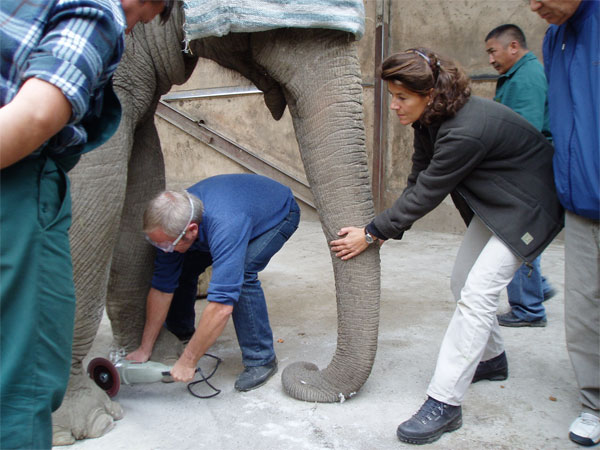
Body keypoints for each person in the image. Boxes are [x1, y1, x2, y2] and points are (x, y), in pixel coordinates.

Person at [329, 48, 563, 445]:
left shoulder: (464, 130)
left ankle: (445, 403)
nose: (395, 105)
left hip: (529, 208)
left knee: (477, 294)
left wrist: (371, 232)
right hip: (498, 203)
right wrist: (383, 229)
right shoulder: (430, 120)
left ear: (429, 93)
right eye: (392, 95)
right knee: (462, 282)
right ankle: (491, 359)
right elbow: (418, 178)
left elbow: (429, 192)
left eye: (402, 97)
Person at [0, 1, 173, 448]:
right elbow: (38, 115)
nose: (131, 33)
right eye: (142, 20)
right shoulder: (98, 13)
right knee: (29, 371)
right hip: (17, 175)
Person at [126, 174, 300, 393]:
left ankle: (261, 359)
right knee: (180, 267)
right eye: (157, 243)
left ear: (191, 231)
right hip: (233, 207)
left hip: (277, 213)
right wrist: (145, 347)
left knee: (243, 275)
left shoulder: (225, 225)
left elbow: (221, 306)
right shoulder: (172, 224)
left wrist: (189, 360)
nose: (163, 251)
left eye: (167, 245)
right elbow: (162, 287)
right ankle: (181, 330)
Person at [529, 0, 599, 446]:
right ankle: (595, 404)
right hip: (581, 202)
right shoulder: (555, 39)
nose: (535, 5)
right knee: (584, 310)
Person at [484, 23, 555, 328]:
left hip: (525, 171)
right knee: (519, 235)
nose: (490, 59)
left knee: (518, 235)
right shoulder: (517, 75)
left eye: (492, 51)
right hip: (525, 169)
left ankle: (529, 308)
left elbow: (524, 130)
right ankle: (537, 289)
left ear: (513, 46)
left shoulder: (525, 78)